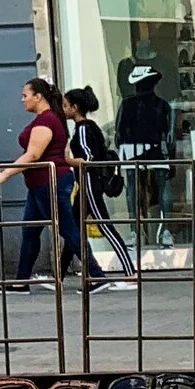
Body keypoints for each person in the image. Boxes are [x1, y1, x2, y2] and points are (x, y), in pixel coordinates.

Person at [0, 76, 112, 294]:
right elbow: (60, 153)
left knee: (68, 230)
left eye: (25, 95)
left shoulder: (46, 121)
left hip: (49, 182)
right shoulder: (51, 119)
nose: (22, 100)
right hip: (42, 184)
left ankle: (96, 275)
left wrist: (5, 173)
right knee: (31, 231)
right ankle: (21, 282)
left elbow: (34, 154)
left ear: (38, 97)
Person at [63, 85, 135, 280]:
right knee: (74, 230)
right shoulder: (88, 127)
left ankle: (130, 272)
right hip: (86, 183)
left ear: (75, 107)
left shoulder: (84, 129)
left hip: (88, 182)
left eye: (66, 105)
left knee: (104, 226)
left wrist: (67, 160)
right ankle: (59, 277)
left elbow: (88, 159)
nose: (64, 109)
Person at [113, 61, 173, 248]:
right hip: (153, 148)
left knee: (133, 189)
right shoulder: (162, 105)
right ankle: (163, 230)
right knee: (160, 187)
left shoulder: (127, 104)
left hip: (133, 149)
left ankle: (135, 231)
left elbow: (119, 133)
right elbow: (169, 136)